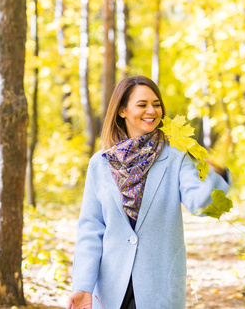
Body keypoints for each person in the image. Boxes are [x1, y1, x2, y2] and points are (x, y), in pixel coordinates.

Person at [67, 76, 229, 309]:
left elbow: (200, 204)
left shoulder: (175, 157)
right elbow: (90, 230)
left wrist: (217, 175)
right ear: (122, 110)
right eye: (142, 105)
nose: (151, 111)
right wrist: (82, 285)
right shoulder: (100, 164)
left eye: (156, 104)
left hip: (159, 285)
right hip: (112, 287)